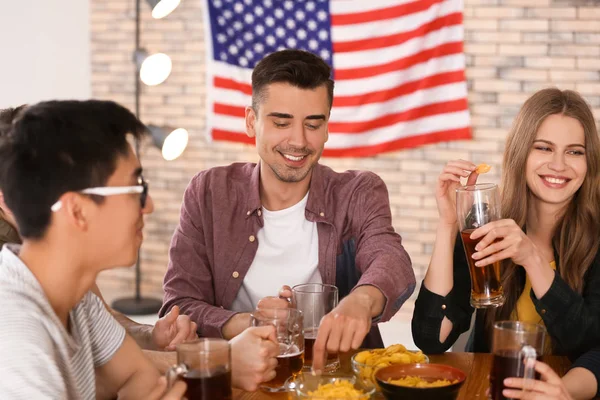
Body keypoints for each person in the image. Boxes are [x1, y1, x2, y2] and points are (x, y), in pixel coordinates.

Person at [0, 100, 278, 398]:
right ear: (78, 211)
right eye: (136, 190)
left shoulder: (74, 295)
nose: (149, 206)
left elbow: (137, 375)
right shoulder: (17, 333)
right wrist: (226, 358)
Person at [160, 49, 415, 372]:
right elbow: (178, 305)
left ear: (326, 128)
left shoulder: (358, 191)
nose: (298, 141)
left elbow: (390, 258)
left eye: (313, 124)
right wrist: (249, 323)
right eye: (281, 122)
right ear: (252, 122)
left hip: (337, 380)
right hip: (239, 380)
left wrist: (360, 301)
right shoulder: (209, 191)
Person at [411, 88, 600, 393]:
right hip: (492, 389)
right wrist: (448, 225)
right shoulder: (486, 226)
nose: (559, 164)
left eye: (575, 151)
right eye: (544, 148)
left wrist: (532, 258)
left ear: (589, 161)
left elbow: (589, 340)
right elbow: (431, 337)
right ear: (520, 153)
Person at [0, 105, 197, 371]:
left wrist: (149, 335)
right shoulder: (16, 311)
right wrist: (210, 362)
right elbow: (96, 366)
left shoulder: (63, 253)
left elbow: (100, 322)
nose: (147, 205)